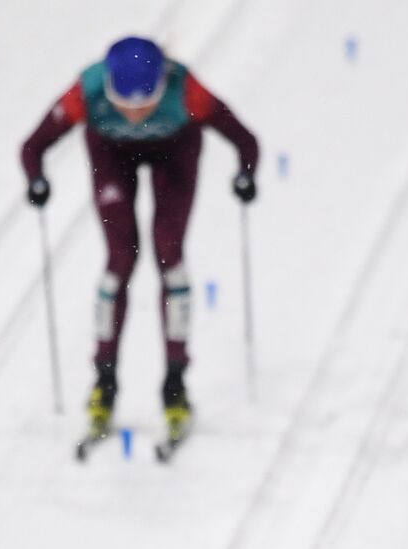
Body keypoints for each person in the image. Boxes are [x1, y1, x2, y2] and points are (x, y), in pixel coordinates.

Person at [21, 37, 260, 444]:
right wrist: (36, 179)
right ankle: (104, 382)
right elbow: (33, 146)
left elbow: (244, 139)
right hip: (112, 155)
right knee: (120, 259)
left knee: (169, 254)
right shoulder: (88, 91)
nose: (134, 115)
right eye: (124, 105)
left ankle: (175, 384)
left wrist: (245, 173)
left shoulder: (187, 91)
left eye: (147, 104)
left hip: (174, 153)